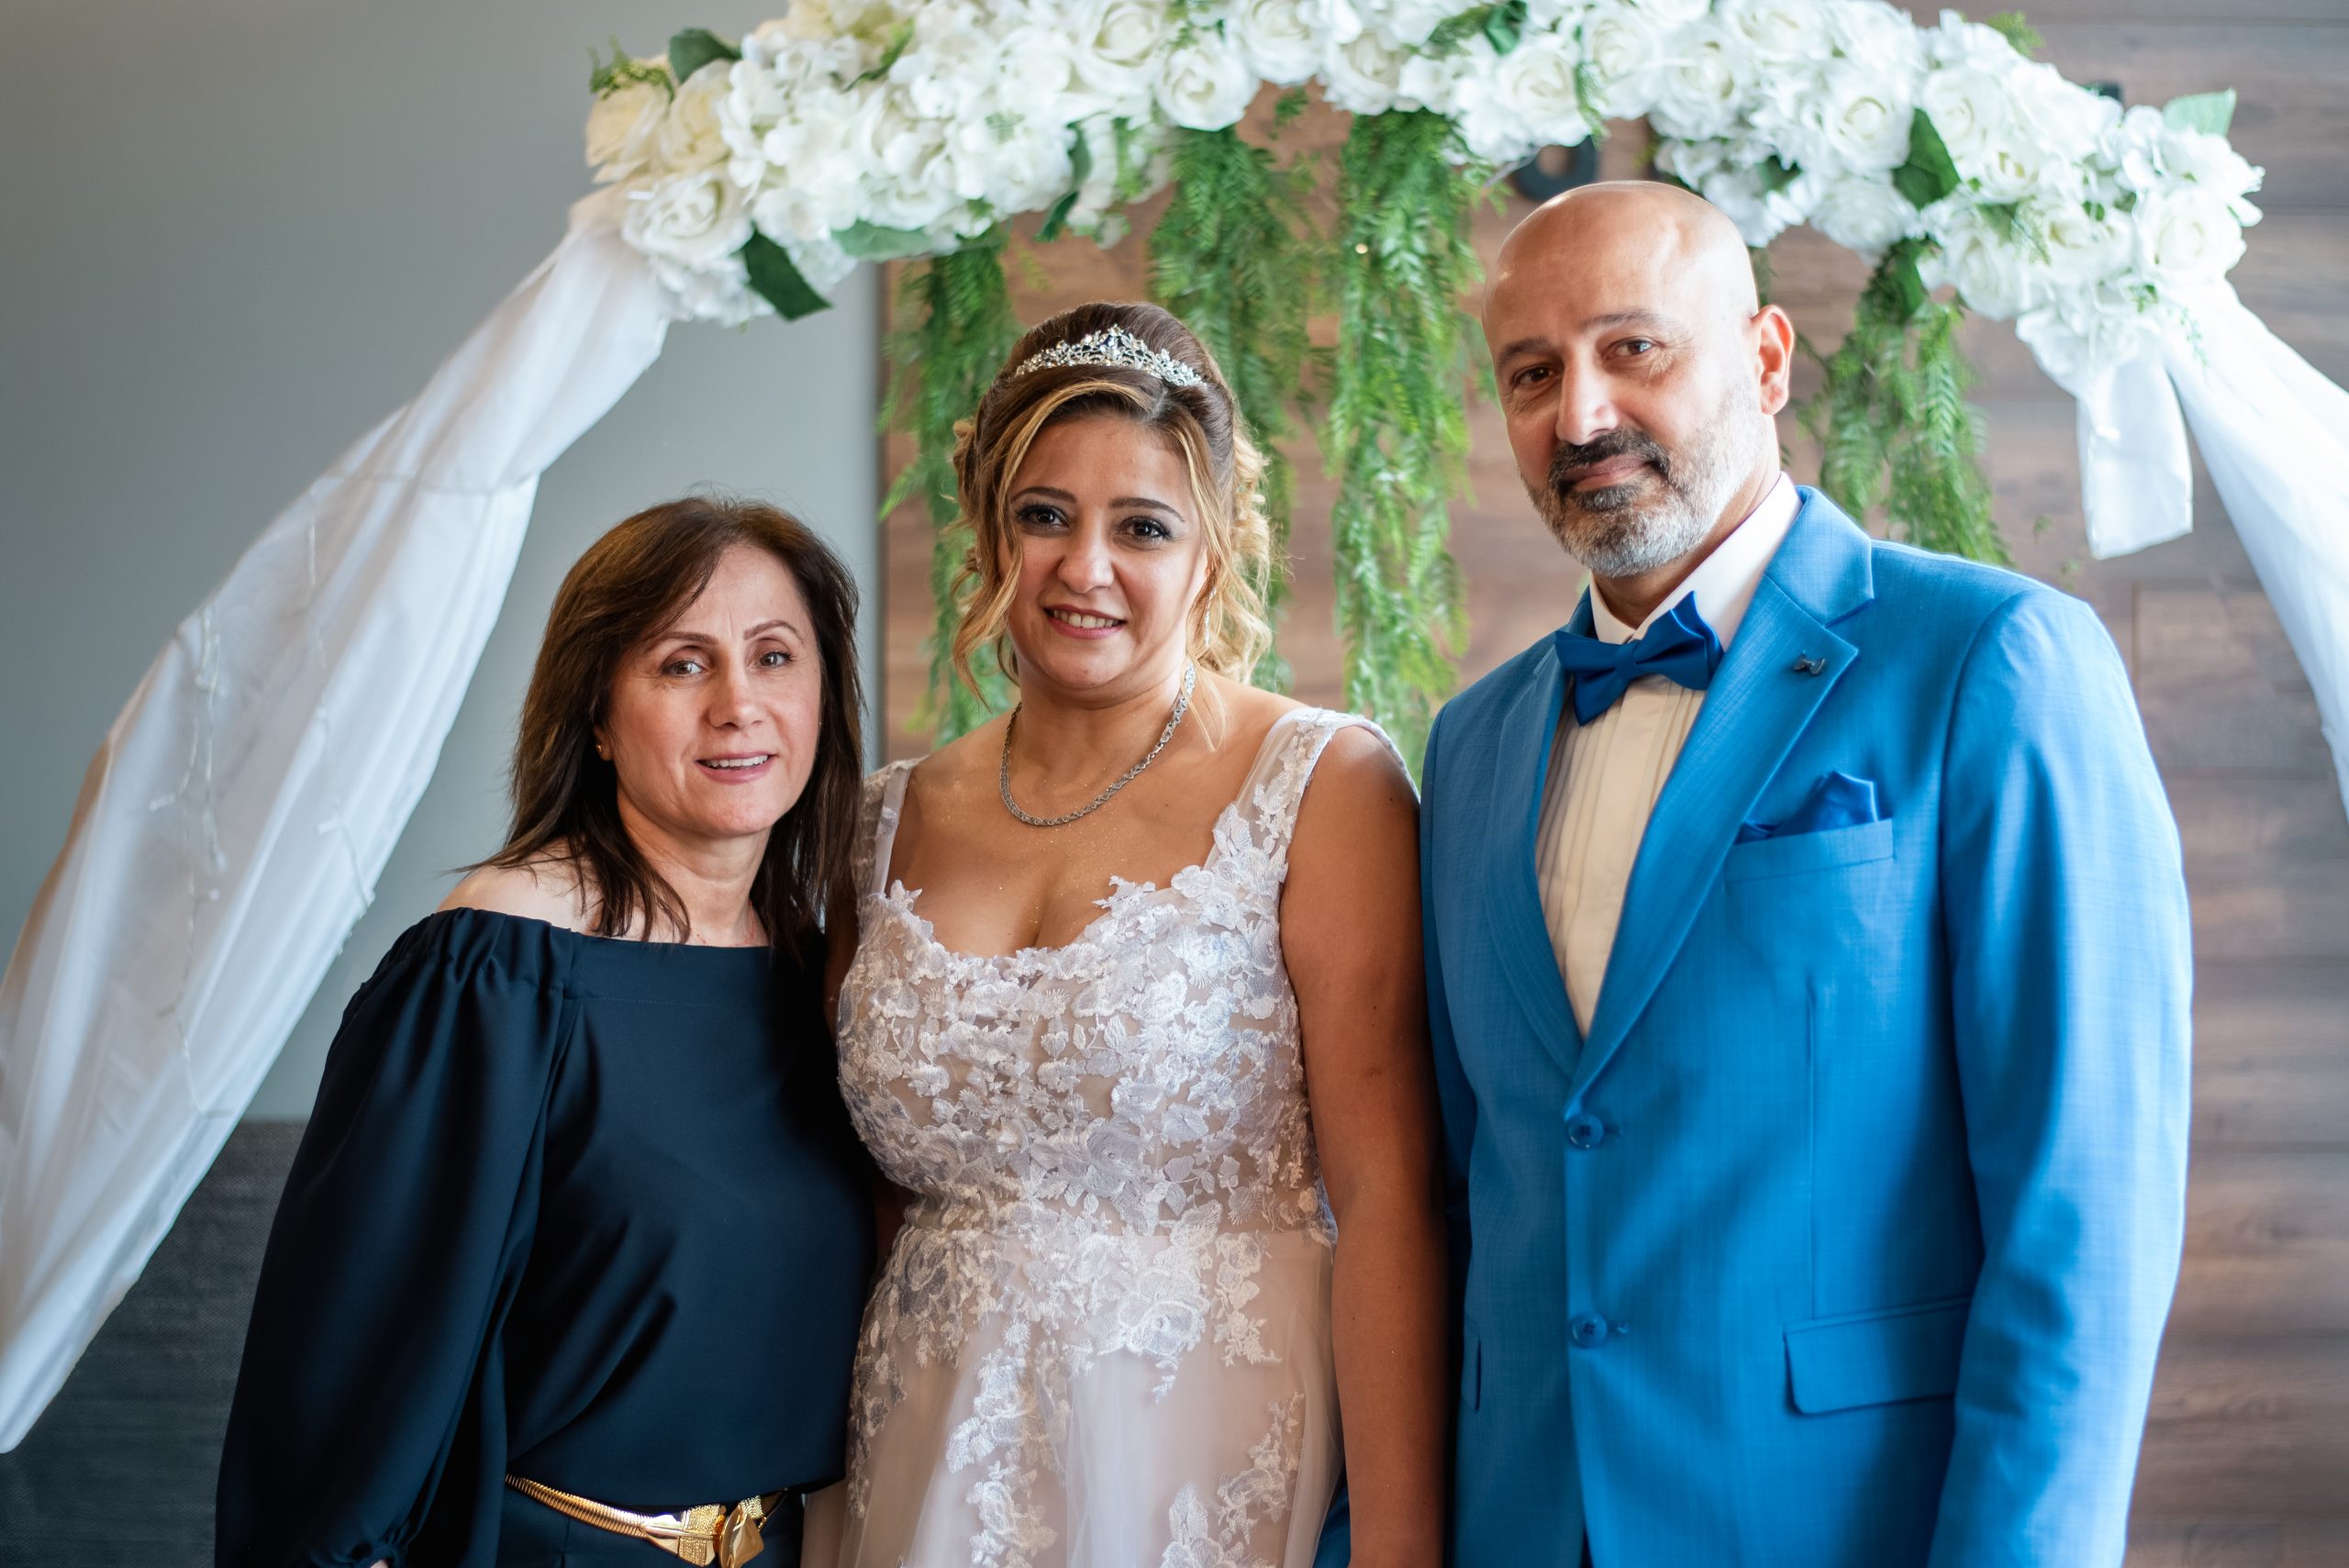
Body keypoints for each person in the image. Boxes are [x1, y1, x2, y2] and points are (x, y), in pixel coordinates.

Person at [1421, 181, 2192, 1565]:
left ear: (1766, 358)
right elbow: (1455, 1196)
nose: (1580, 414)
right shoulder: (1470, 744)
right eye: (1531, 373)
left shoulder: (1994, 661)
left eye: (1633, 348)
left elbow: (2085, 1213)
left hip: (1841, 1522)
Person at [812, 302, 1444, 1568]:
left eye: (1142, 526)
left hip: (1201, 1454)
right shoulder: (877, 819)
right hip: (918, 1449)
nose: (1084, 568)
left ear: (1211, 551)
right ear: (989, 528)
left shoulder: (1320, 784)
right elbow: (862, 1208)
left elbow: (1390, 1198)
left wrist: (1398, 1545)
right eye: (1045, 515)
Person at [217, 497, 876, 1568]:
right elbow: (347, 1364)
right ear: (598, 715)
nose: (739, 704)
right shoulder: (492, 973)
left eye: (773, 656)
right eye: (682, 663)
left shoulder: (822, 972)